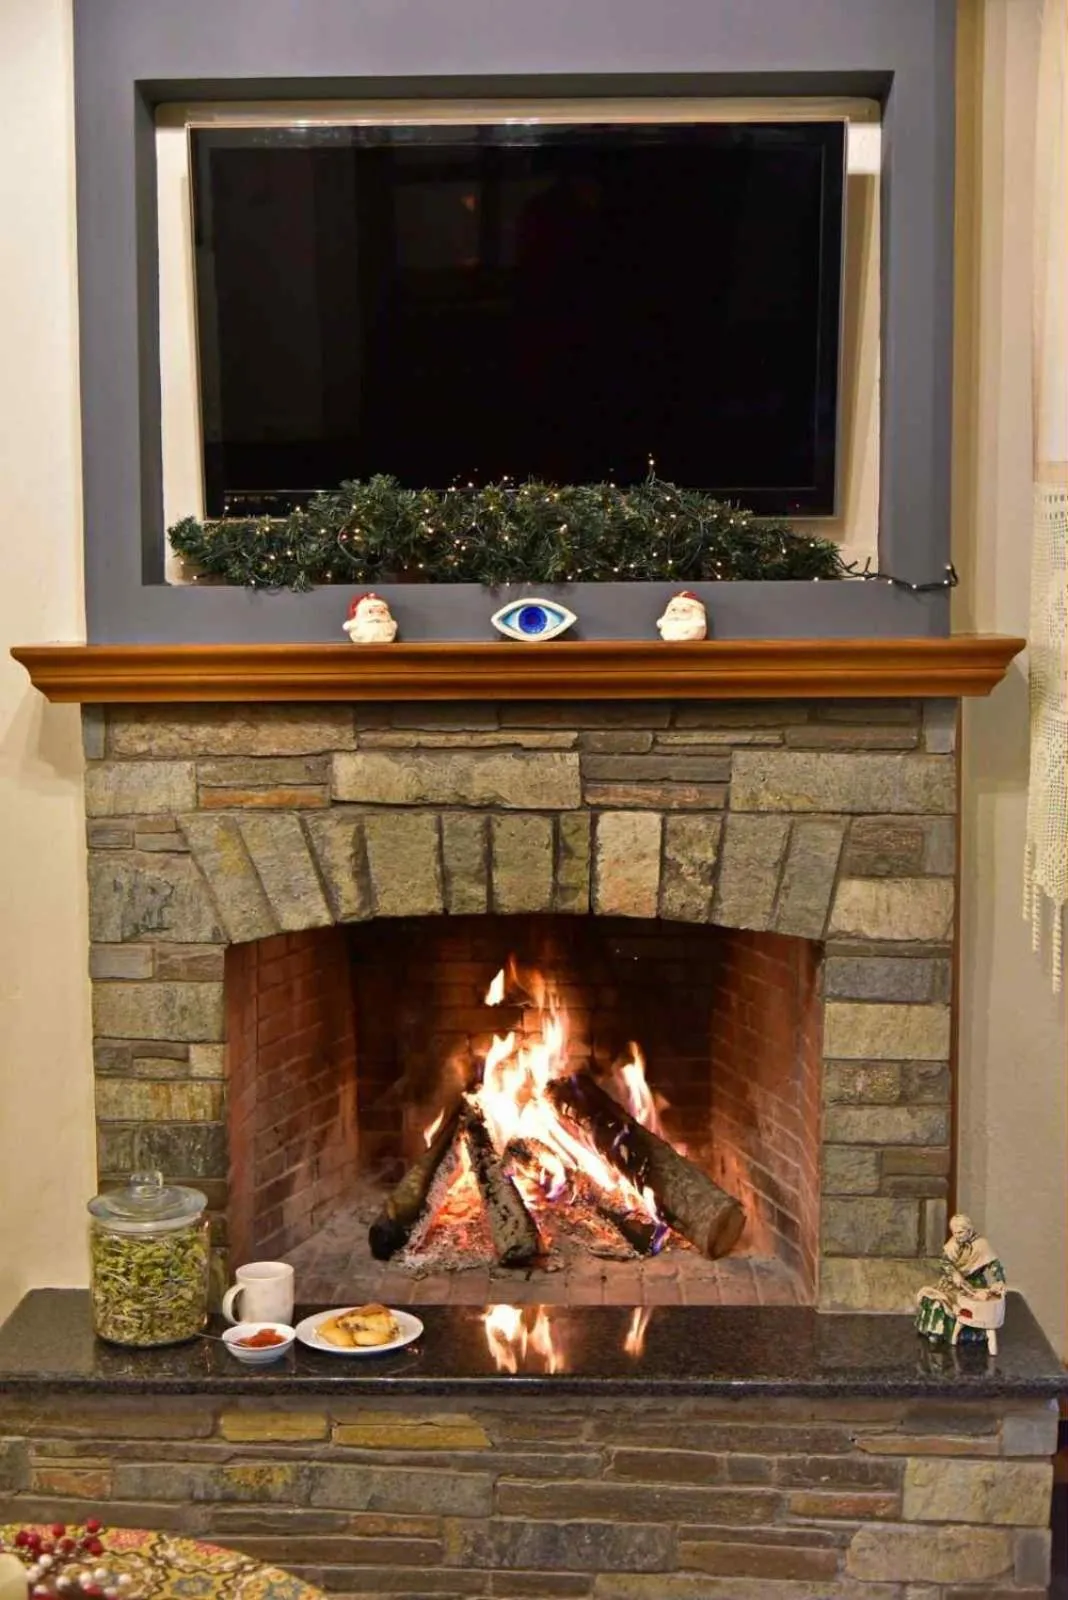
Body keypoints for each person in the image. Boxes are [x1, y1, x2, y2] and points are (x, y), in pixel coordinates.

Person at [915, 1213, 1006, 1347]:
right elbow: (944, 1262)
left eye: (961, 1232)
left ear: (969, 1229)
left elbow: (994, 1265)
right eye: (955, 1233)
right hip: (952, 1282)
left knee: (970, 1305)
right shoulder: (953, 1244)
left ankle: (968, 1333)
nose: (957, 1235)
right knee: (936, 1300)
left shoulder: (981, 1245)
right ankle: (937, 1332)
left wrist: (999, 1281)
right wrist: (954, 1273)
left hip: (973, 1284)